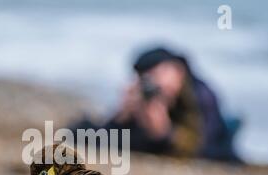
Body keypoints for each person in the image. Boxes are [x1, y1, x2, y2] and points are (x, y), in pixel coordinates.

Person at [71, 47, 241, 162]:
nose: (157, 83)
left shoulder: (201, 96)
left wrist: (164, 133)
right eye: (148, 78)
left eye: (159, 73)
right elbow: (107, 138)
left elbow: (202, 148)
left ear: (178, 69)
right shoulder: (148, 99)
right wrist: (122, 116)